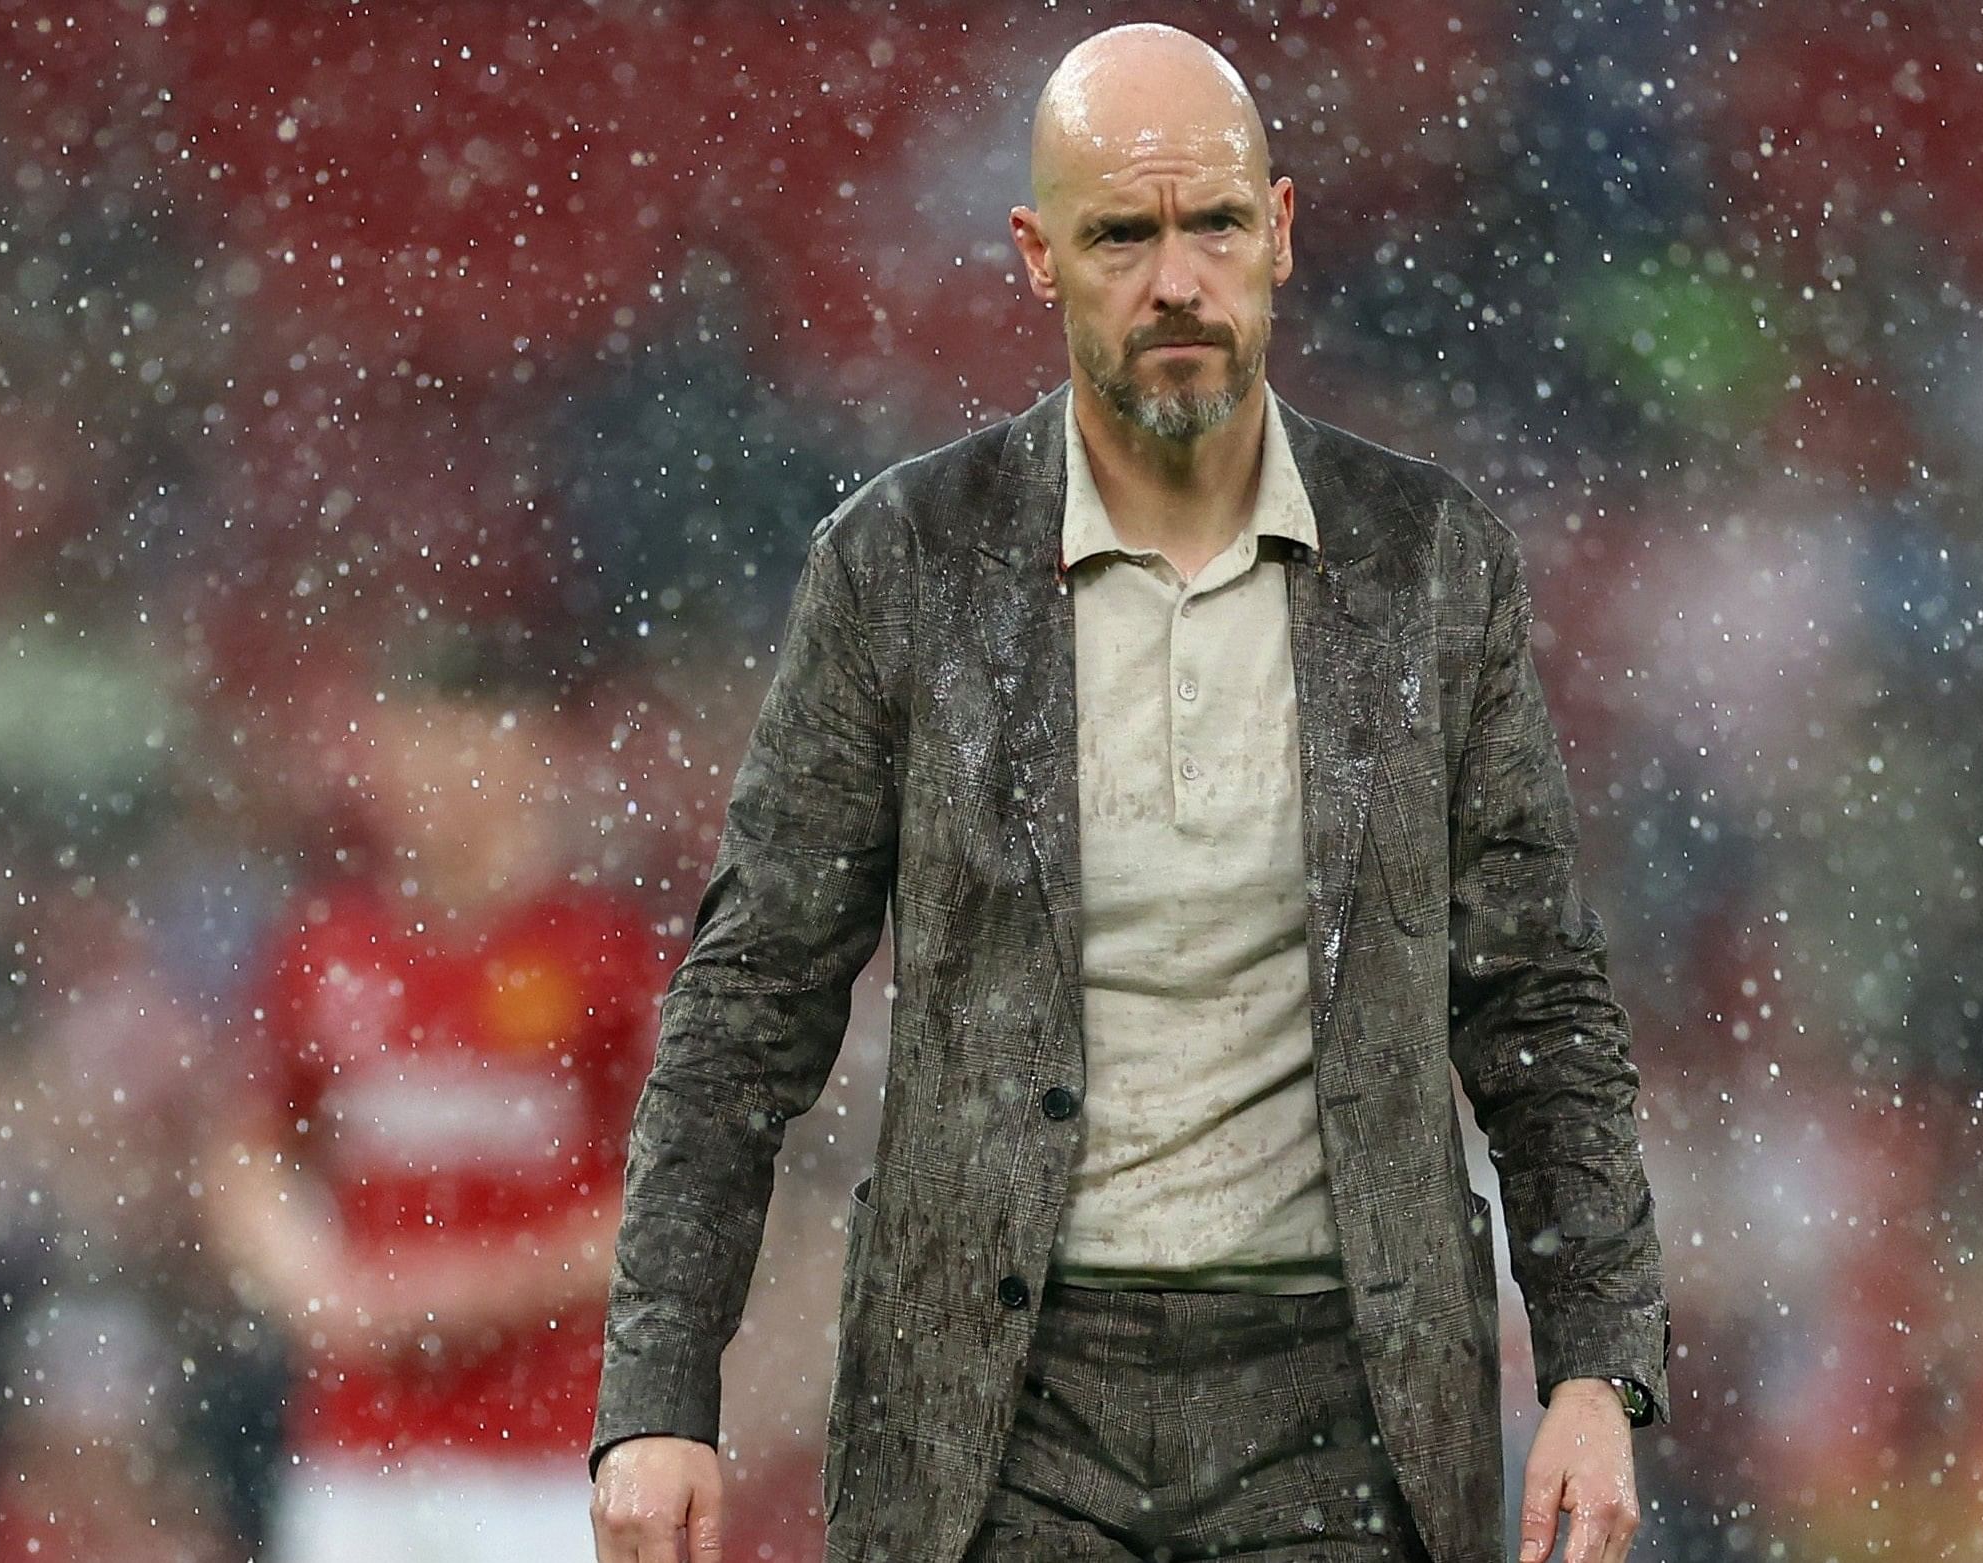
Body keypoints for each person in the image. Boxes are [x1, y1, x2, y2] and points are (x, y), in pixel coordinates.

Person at [589, 23, 1669, 1563]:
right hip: (991, 1405)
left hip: (1342, 1395)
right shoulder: (902, 562)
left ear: (1279, 230)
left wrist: (1595, 1367)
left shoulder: (1426, 560)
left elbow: (1536, 1003)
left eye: (1213, 223)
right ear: (1037, 256)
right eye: (1121, 233)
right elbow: (750, 996)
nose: (1176, 278)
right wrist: (656, 1388)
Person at [214, 648, 669, 1563]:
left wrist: (486, 1286)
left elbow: (676, 1202)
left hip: (548, 1454)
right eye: (413, 746)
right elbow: (247, 1153)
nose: (436, 779)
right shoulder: (325, 947)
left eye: (466, 747)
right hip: (357, 1453)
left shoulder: (604, 956)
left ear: (534, 758)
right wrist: (313, 1281)